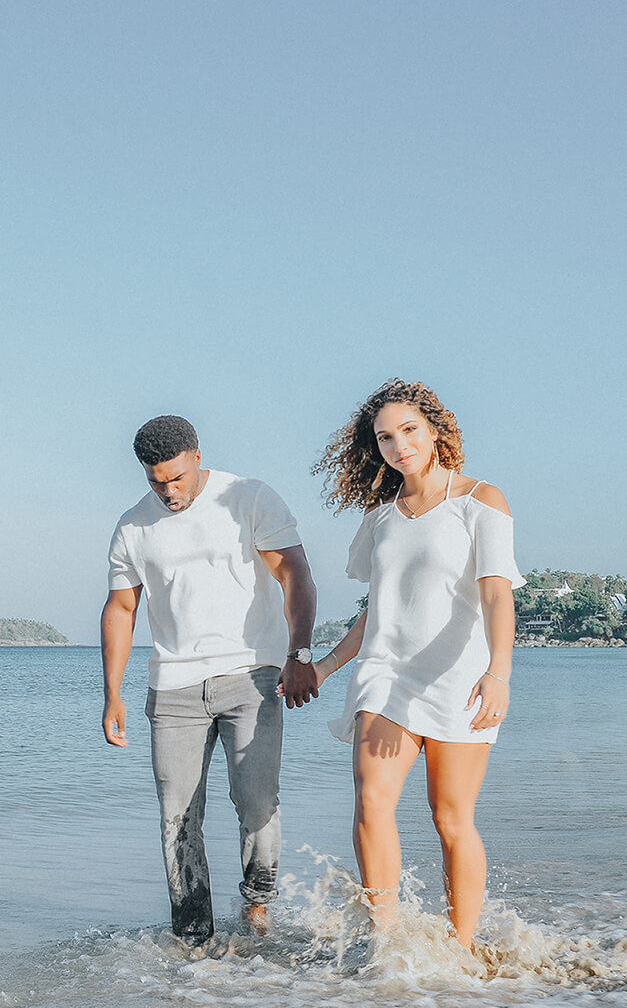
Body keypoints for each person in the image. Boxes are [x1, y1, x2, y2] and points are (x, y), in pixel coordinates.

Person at [305, 381, 521, 948]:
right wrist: (324, 668)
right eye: (385, 437)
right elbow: (376, 612)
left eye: (408, 431)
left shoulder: (481, 501)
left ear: (434, 432)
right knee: (371, 799)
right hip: (386, 675)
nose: (398, 445)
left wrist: (499, 672)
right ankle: (386, 942)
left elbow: (498, 596)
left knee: (450, 818)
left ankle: (462, 947)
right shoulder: (380, 519)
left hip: (460, 678)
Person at [101, 415, 319, 950]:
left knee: (257, 802)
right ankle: (192, 936)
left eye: (177, 478)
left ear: (197, 455)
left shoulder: (247, 498)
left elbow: (294, 573)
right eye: (157, 482)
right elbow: (121, 606)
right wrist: (112, 692)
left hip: (252, 675)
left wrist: (299, 652)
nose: (169, 492)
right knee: (178, 815)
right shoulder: (133, 527)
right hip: (173, 686)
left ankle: (257, 910)